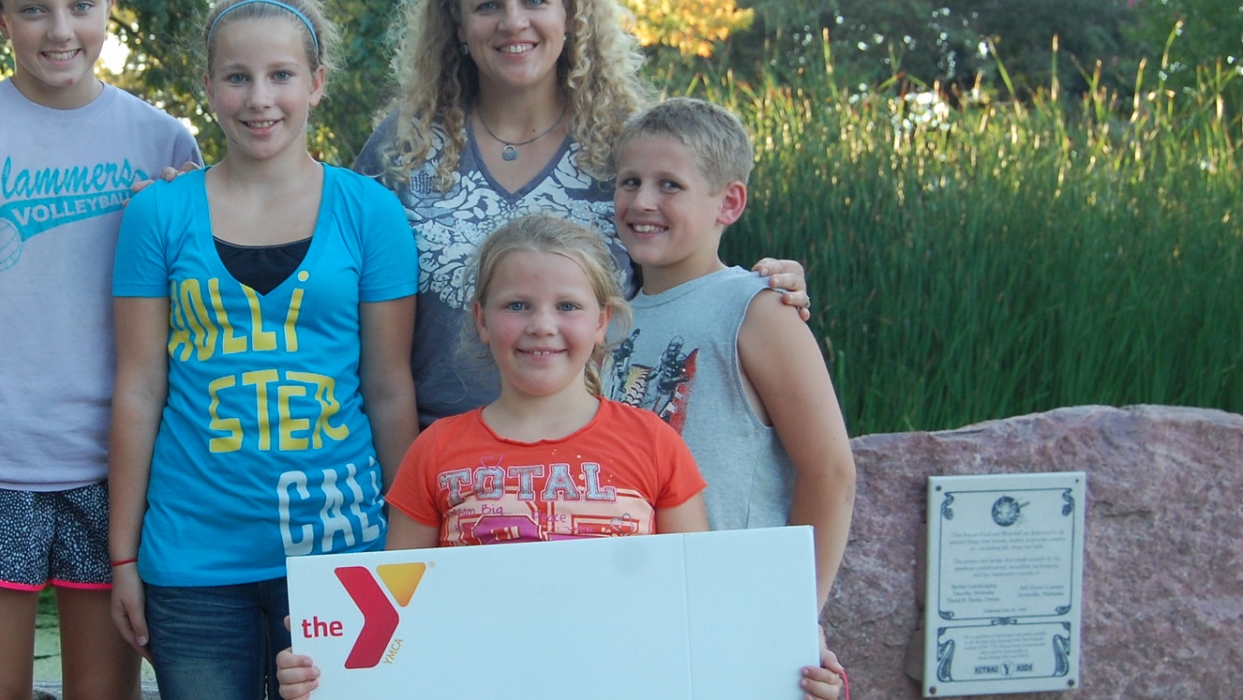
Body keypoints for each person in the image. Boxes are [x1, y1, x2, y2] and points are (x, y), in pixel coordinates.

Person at [273, 215, 846, 700]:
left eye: (567, 306)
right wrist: (324, 669)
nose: (542, 326)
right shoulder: (435, 452)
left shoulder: (655, 444)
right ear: (481, 318)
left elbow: (695, 612)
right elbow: (390, 627)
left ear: (601, 322)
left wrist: (787, 652)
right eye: (517, 304)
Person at [0, 0, 202, 696]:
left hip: (117, 469)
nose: (60, 30)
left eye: (81, 6)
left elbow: (195, 324)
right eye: (32, 9)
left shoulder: (165, 145)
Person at [107, 0, 419, 697]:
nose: (259, 99)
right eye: (237, 77)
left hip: (342, 550)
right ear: (209, 86)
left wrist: (406, 544)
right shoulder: (158, 213)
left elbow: (390, 387)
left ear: (315, 83)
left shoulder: (370, 213)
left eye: (280, 74)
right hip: (192, 560)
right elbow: (139, 388)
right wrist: (123, 555)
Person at [354, 0, 812, 427]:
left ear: (573, 15)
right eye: (488, 4)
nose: (513, 21)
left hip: (601, 465)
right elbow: (350, 305)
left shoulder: (629, 145)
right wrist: (407, 489)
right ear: (456, 22)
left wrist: (762, 289)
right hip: (440, 458)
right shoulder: (402, 147)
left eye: (535, 0)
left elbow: (690, 280)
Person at [601, 97, 856, 607]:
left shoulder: (757, 309)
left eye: (669, 185)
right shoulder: (609, 322)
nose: (642, 201)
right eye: (630, 181)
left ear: (729, 203)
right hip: (630, 598)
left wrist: (798, 613)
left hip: (729, 601)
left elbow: (830, 472)